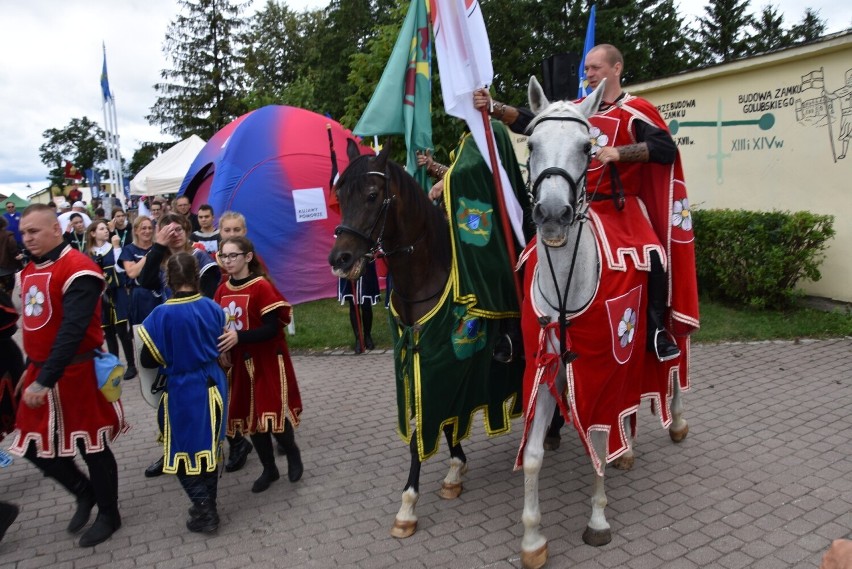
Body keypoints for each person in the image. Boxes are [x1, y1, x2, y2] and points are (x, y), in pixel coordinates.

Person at [474, 43, 693, 362]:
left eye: (595, 68)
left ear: (616, 69)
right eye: (587, 68)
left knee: (653, 255)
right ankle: (519, 335)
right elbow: (529, 120)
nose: (588, 74)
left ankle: (655, 331)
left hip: (621, 207)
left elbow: (665, 148)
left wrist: (621, 152)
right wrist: (494, 106)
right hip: (577, 206)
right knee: (528, 257)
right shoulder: (576, 110)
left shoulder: (635, 109)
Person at [7, 204, 127, 547]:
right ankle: (83, 491)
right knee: (31, 444)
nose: (27, 238)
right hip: (42, 370)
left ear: (56, 230)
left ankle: (109, 513)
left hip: (78, 372)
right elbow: (37, 328)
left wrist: (44, 379)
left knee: (92, 446)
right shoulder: (30, 269)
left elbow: (72, 331)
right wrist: (32, 369)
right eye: (24, 232)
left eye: (35, 231)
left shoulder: (78, 269)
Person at [137, 212, 251, 476]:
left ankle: (235, 442)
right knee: (175, 401)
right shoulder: (161, 259)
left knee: (209, 400)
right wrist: (157, 246)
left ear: (188, 230)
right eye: (167, 229)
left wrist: (219, 343)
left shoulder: (201, 260)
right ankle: (172, 449)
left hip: (199, 339)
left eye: (178, 228)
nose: (173, 233)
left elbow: (211, 305)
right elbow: (144, 283)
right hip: (172, 337)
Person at [137, 252, 228, 533]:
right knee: (209, 449)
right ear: (196, 277)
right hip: (214, 382)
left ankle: (206, 509)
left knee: (179, 452)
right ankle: (206, 505)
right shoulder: (213, 307)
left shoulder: (160, 315)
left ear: (169, 279)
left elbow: (147, 360)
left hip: (184, 388)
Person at [215, 236, 303, 493]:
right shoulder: (222, 289)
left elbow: (271, 329)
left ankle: (292, 453)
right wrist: (220, 350)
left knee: (271, 414)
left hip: (266, 361)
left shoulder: (261, 287)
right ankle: (269, 469)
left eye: (233, 255)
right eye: (224, 256)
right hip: (239, 364)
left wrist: (238, 337)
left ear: (248, 257)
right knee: (249, 419)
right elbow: (219, 325)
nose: (228, 261)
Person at [86, 219, 136, 380]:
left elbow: (120, 268)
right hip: (100, 296)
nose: (106, 231)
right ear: (93, 233)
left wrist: (116, 248)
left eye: (106, 228)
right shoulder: (89, 253)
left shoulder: (113, 248)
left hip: (118, 293)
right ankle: (114, 365)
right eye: (101, 229)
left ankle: (131, 364)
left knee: (122, 330)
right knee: (108, 332)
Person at [119, 216, 161, 326]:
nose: (147, 231)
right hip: (140, 296)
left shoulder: (159, 248)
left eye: (150, 228)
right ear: (136, 230)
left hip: (159, 294)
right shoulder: (129, 250)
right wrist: (150, 255)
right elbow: (132, 273)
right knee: (142, 334)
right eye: (143, 228)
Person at [338, 261, 380, 354]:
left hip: (365, 263)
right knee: (353, 303)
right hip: (349, 262)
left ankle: (367, 336)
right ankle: (358, 339)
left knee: (366, 303)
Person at [0, 217, 23, 282]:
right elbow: (13, 249)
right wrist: (18, 256)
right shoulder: (8, 235)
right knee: (11, 289)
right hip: (8, 267)